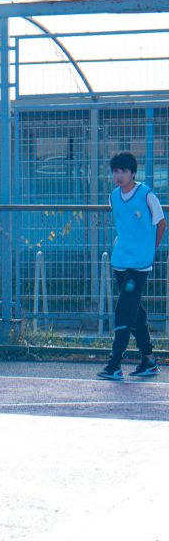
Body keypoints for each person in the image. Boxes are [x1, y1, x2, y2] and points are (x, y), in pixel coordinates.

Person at [99, 152, 165, 380]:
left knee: (123, 311)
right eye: (115, 171)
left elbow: (161, 224)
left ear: (133, 173)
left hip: (139, 266)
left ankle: (114, 364)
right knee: (134, 311)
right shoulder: (113, 196)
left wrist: (149, 250)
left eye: (123, 171)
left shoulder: (147, 195)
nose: (119, 175)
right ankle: (149, 360)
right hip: (120, 262)